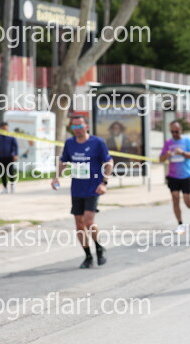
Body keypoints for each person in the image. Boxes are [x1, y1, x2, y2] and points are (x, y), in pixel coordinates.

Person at [51, 115, 113, 269]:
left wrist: (104, 182)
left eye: (80, 126)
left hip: (93, 188)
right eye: (74, 127)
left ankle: (99, 247)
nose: (77, 129)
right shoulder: (70, 143)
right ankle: (88, 256)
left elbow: (109, 162)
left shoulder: (97, 142)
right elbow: (64, 161)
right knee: (79, 224)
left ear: (86, 126)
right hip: (77, 189)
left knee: (88, 221)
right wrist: (56, 177)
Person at [159, 121, 190, 234]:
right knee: (175, 198)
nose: (174, 134)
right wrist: (167, 155)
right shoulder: (168, 143)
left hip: (186, 175)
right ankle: (180, 224)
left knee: (188, 201)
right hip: (173, 176)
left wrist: (182, 153)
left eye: (176, 131)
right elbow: (161, 159)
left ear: (181, 130)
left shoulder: (188, 141)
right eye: (172, 132)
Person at [0, 122, 18, 194]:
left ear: (8, 127)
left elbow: (15, 146)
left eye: (5, 127)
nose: (4, 129)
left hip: (9, 157)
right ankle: (5, 187)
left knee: (10, 172)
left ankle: (12, 186)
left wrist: (15, 154)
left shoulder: (11, 136)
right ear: (1, 128)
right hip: (1, 157)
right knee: (2, 173)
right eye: (2, 127)